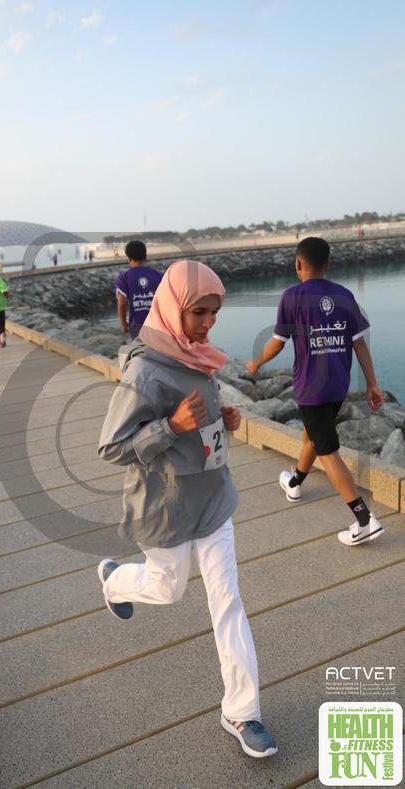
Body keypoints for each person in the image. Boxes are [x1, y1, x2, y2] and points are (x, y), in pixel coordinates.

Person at [97, 259, 277, 759]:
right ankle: (114, 580)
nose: (207, 323)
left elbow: (200, 416)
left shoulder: (196, 354)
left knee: (228, 601)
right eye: (199, 312)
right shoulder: (145, 370)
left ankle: (242, 711)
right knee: (168, 588)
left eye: (214, 313)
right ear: (174, 307)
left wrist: (222, 418)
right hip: (167, 507)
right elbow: (111, 448)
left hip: (213, 498)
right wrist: (171, 426)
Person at [246, 236, 385, 547]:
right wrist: (372, 383)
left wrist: (256, 362)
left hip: (312, 388)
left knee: (327, 450)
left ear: (298, 264)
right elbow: (359, 343)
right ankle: (295, 482)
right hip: (338, 385)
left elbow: (277, 343)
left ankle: (364, 519)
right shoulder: (345, 295)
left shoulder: (292, 296)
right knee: (312, 434)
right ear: (329, 263)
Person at [115, 240, 163, 339]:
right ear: (145, 256)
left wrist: (124, 324)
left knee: (140, 348)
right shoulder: (158, 275)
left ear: (129, 258)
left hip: (137, 325)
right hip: (157, 324)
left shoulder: (124, 277)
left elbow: (122, 303)